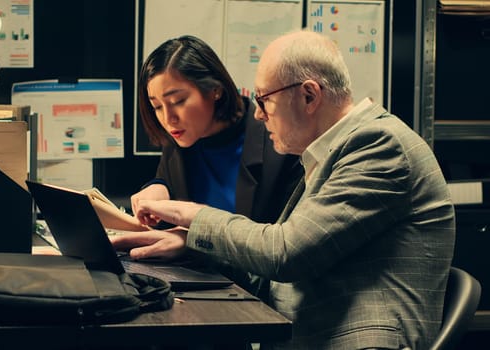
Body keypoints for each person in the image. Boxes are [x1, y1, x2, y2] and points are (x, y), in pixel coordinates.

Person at [112, 30, 456, 350]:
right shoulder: (330, 154)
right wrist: (190, 244)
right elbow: (272, 275)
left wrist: (193, 216)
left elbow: (286, 254)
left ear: (309, 96)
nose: (258, 116)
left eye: (264, 101)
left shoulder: (378, 145)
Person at [131, 35, 303, 297]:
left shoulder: (276, 142)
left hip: (257, 298)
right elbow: (168, 185)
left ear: (215, 90)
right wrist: (157, 186)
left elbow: (276, 251)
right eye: (157, 106)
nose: (168, 118)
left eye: (178, 101)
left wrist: (192, 243)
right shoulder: (181, 137)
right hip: (199, 291)